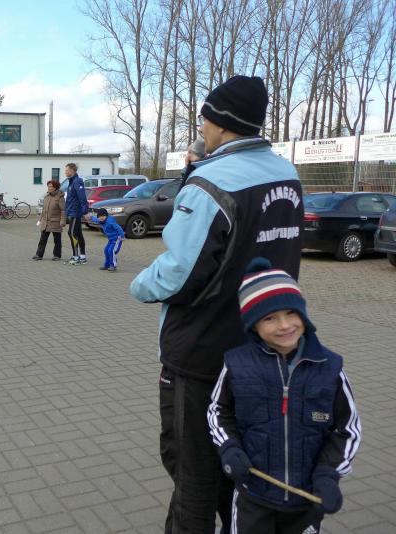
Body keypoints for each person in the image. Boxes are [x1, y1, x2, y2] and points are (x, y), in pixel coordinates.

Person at [129, 75, 304, 533]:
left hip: (203, 354)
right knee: (237, 460)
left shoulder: (212, 182)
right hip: (265, 348)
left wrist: (140, 285)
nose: (201, 128)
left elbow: (180, 271)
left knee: (192, 470)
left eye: (204, 119)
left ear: (223, 123)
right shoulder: (286, 173)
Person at [208, 259, 361, 533]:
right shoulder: (236, 364)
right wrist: (229, 447)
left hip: (306, 500)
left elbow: (347, 429)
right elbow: (218, 411)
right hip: (253, 495)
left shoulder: (329, 367)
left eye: (291, 313)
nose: (285, 325)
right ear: (253, 325)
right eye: (269, 318)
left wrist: (329, 473)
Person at [32, 179, 66, 261]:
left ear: (55, 187)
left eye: (51, 186)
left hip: (56, 222)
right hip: (45, 222)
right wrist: (40, 220)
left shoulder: (60, 197)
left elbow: (63, 210)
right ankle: (39, 255)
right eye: (48, 186)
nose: (49, 188)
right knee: (42, 239)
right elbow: (44, 210)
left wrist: (63, 221)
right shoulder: (46, 197)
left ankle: (57, 255)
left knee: (57, 240)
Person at [63, 163, 88, 265]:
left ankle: (76, 257)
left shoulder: (77, 181)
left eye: (67, 170)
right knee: (78, 234)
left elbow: (82, 197)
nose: (65, 172)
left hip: (75, 212)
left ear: (72, 170)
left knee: (72, 233)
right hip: (72, 211)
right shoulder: (71, 181)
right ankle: (82, 257)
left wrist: (85, 211)